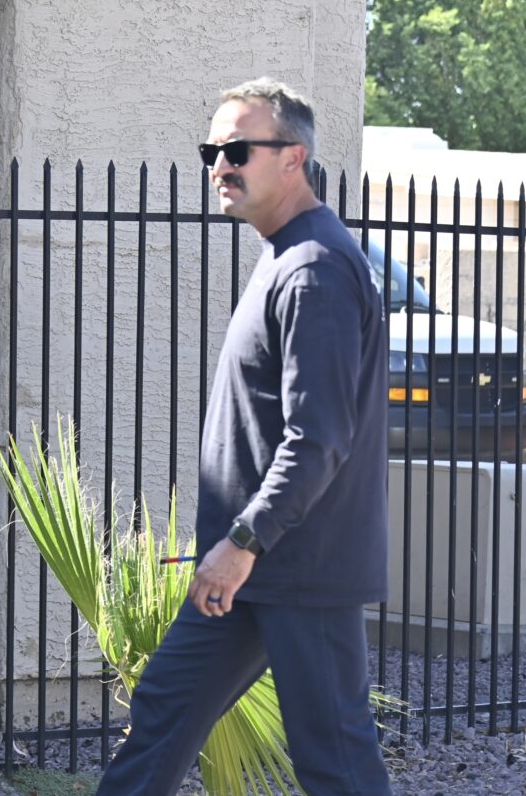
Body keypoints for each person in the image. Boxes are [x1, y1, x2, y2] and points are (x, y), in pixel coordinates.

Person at [96, 78, 392, 795]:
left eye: (237, 150)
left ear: (293, 158)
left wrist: (242, 542)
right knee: (164, 714)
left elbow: (318, 437)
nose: (220, 166)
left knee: (335, 760)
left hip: (298, 568)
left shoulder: (316, 267)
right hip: (252, 568)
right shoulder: (285, 255)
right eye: (212, 152)